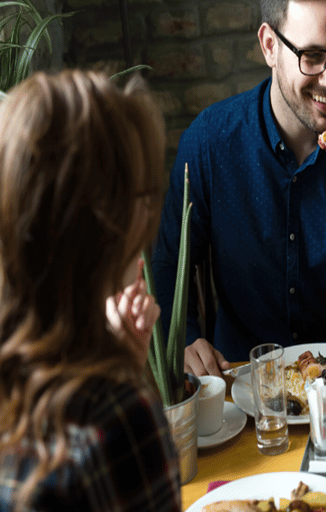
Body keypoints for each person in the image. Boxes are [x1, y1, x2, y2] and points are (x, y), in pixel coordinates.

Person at [152, 0, 326, 376]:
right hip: (239, 385)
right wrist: (183, 340)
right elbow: (168, 265)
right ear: (269, 46)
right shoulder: (210, 143)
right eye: (312, 56)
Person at [0, 70, 179, 510]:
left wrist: (122, 363)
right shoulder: (117, 419)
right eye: (141, 196)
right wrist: (123, 383)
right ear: (101, 227)